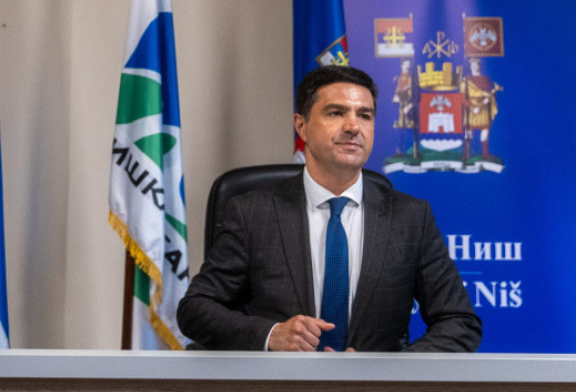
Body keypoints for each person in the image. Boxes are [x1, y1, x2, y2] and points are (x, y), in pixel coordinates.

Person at [177, 65, 481, 352]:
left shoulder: (411, 217)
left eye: (365, 115)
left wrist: (390, 371)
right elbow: (195, 308)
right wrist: (271, 335)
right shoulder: (253, 213)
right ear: (302, 126)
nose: (353, 127)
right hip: (279, 385)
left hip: (375, 389)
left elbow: (460, 321)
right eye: (336, 113)